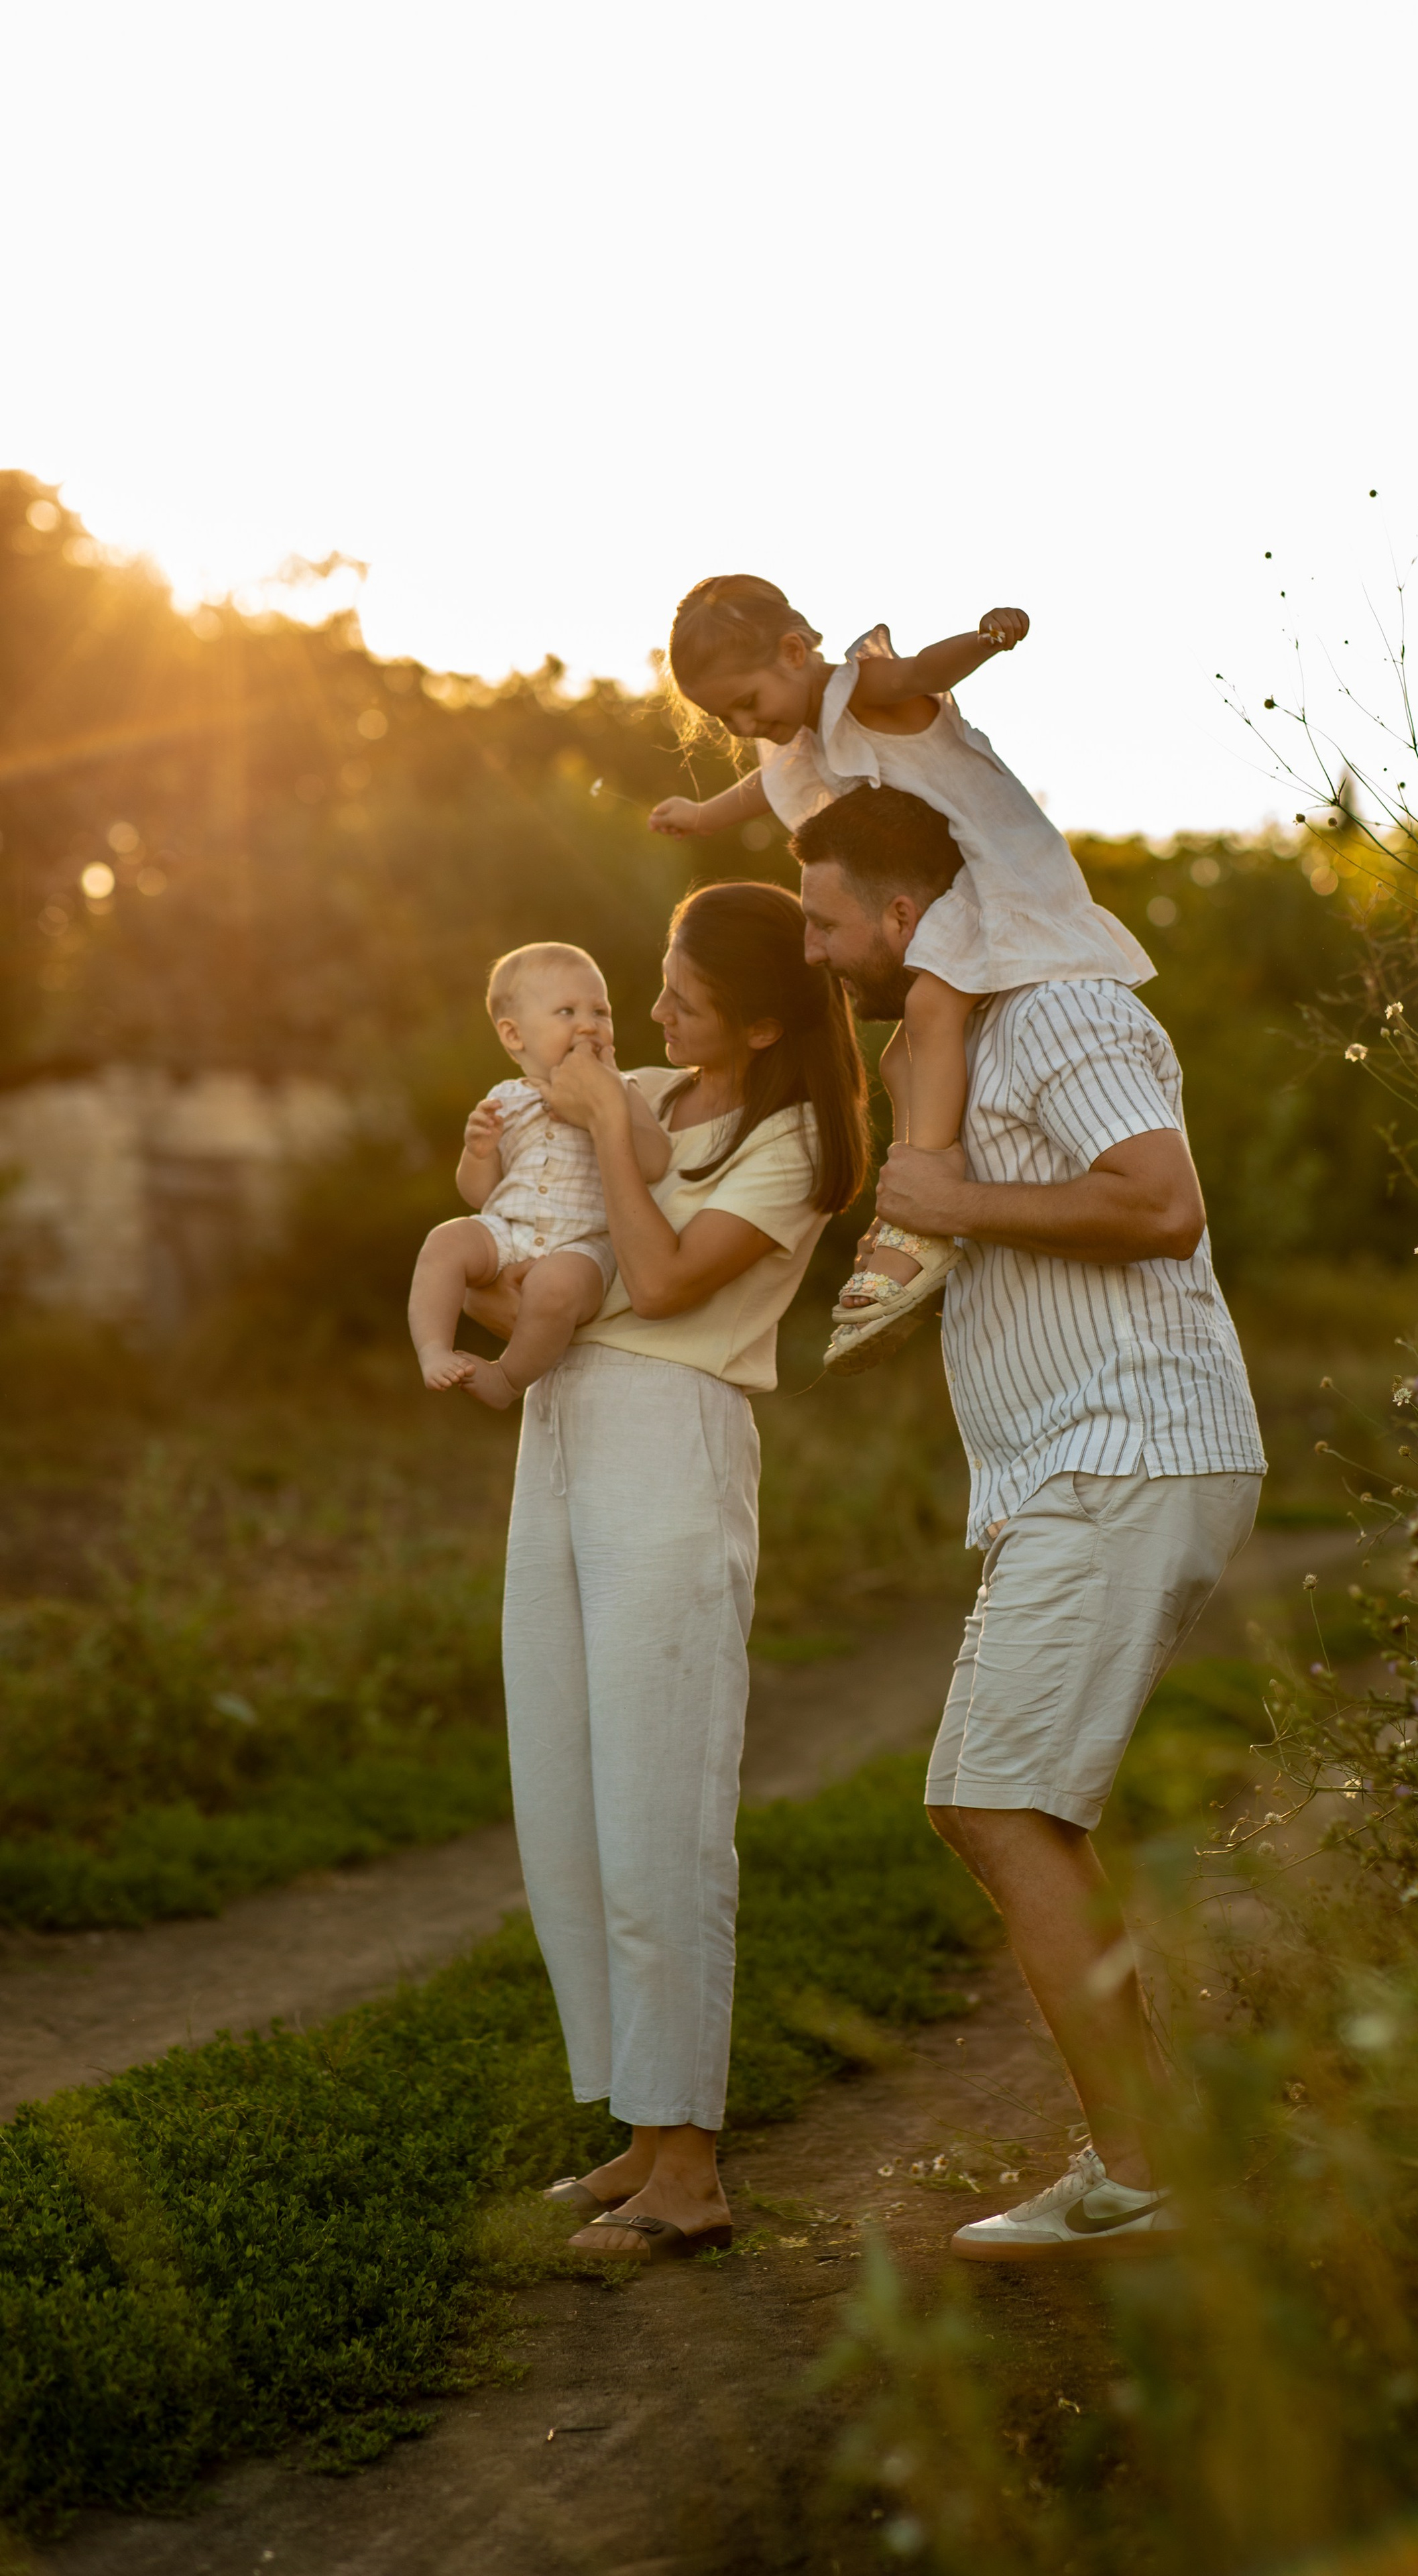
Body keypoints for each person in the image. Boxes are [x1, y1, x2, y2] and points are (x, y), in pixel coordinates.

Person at [793, 784, 1268, 2261]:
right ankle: (1153, 2147)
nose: (815, 953)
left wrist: (954, 1199)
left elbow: (1160, 1203)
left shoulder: (1054, 1012)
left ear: (899, 912)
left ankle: (1146, 2166)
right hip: (1078, 1460)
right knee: (1000, 1803)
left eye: (823, 921)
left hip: (1125, 1444)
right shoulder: (974, 1032)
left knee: (993, 1803)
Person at [469, 883, 868, 2261]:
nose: (648, 1016)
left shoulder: (797, 1140)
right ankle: (636, 2129)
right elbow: (530, 1259)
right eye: (654, 986)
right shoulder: (634, 1085)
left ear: (762, 1019)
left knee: (661, 1802)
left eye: (684, 1000)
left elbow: (670, 1278)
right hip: (561, 1423)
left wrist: (604, 1149)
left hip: (672, 1440)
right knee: (569, 1787)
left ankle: (690, 2166)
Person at [648, 574, 1154, 1371]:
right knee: (897, 1054)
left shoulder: (863, 690)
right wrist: (704, 815)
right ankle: (917, 1202)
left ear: (793, 651)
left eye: (747, 700)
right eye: (725, 717)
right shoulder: (798, 735)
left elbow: (925, 672)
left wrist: (987, 639)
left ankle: (926, 1207)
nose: (746, 724)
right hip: (941, 882)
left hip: (995, 868)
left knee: (930, 1010)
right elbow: (765, 780)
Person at [406, 941, 670, 1407]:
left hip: (583, 1245)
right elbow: (478, 1195)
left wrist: (606, 1107)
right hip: (509, 1230)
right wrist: (480, 1152)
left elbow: (655, 1162)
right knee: (444, 1242)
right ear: (514, 1035)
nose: (589, 1024)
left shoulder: (622, 1088)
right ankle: (434, 1349)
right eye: (567, 1011)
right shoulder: (506, 1097)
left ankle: (508, 1378)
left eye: (600, 1012)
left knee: (557, 1287)